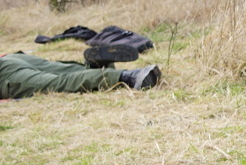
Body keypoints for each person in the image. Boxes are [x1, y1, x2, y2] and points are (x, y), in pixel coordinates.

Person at [0, 51, 160, 99]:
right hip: (11, 58)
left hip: (5, 73)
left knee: (59, 82)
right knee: (66, 71)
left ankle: (129, 77)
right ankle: (97, 65)